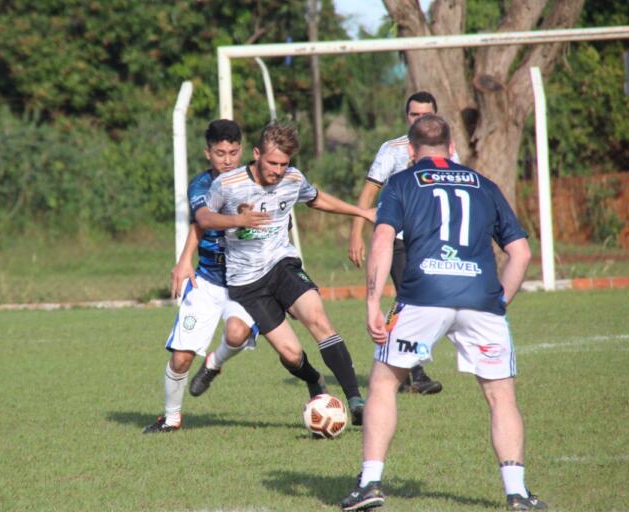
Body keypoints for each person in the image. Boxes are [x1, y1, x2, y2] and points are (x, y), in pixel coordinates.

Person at [340, 115, 546, 511]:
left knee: (384, 382)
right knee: (501, 395)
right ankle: (517, 493)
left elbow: (382, 239)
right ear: (452, 149)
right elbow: (520, 252)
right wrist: (499, 299)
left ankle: (370, 485)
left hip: (422, 296)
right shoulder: (485, 185)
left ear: (411, 152)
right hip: (481, 300)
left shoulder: (402, 182)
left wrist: (372, 303)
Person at [143, 120, 328, 434]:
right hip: (209, 280)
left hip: (247, 281)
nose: (226, 159)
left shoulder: (260, 179)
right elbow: (202, 221)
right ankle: (171, 419)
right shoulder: (203, 186)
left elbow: (281, 221)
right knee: (181, 358)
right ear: (208, 153)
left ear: (243, 151)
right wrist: (184, 259)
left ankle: (215, 363)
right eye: (219, 153)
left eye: (232, 152)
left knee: (238, 333)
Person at [195, 122, 375, 425]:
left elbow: (316, 198)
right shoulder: (227, 184)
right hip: (247, 283)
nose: (277, 171)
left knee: (318, 319)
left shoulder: (293, 178)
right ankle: (314, 379)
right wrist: (236, 221)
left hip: (282, 264)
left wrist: (362, 212)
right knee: (291, 355)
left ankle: (356, 401)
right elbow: (203, 217)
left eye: (283, 164)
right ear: (256, 154)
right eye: (272, 163)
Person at [348, 91, 459, 395]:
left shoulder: (448, 151)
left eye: (426, 114)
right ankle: (412, 371)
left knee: (425, 299)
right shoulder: (393, 150)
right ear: (406, 117)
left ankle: (397, 363)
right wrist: (356, 232)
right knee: (410, 297)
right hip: (397, 239)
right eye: (414, 114)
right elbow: (371, 191)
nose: (420, 119)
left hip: (432, 240)